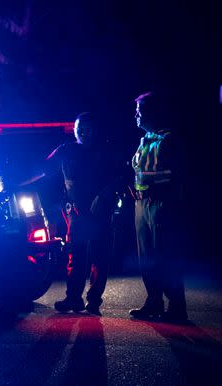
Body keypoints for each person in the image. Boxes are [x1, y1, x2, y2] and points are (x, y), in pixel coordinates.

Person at [23, 113, 114, 315]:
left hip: (100, 213)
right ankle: (74, 299)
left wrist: (103, 196)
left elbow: (118, 177)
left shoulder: (106, 151)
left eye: (87, 128)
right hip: (76, 213)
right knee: (76, 255)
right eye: (79, 128)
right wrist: (16, 183)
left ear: (95, 130)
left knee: (100, 257)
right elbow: (42, 169)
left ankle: (94, 302)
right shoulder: (66, 150)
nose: (82, 132)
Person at [128, 92, 188, 323]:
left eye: (140, 110)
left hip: (161, 204)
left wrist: (148, 184)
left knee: (164, 255)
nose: (136, 115)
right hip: (142, 203)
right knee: (147, 256)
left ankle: (176, 307)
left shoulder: (168, 140)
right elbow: (138, 171)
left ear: (153, 112)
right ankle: (154, 301)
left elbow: (175, 174)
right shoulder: (145, 140)